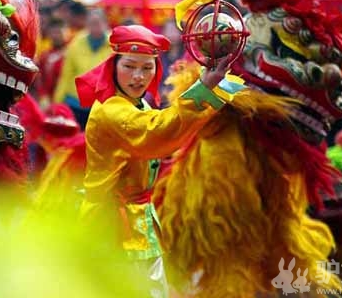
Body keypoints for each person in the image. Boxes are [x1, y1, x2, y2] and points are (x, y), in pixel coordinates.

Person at [74, 24, 245, 297]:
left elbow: (165, 133)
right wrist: (205, 86)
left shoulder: (139, 103)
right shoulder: (111, 110)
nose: (138, 77)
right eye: (130, 66)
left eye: (147, 67)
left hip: (139, 220)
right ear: (113, 65)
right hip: (113, 225)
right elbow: (157, 130)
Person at [53, 8, 112, 128]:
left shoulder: (114, 45)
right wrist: (57, 103)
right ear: (87, 24)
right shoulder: (76, 44)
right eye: (91, 23)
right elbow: (66, 76)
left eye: (98, 22)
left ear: (105, 24)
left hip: (102, 105)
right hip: (75, 102)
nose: (95, 26)